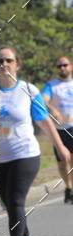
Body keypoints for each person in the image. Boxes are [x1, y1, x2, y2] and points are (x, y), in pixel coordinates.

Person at [0, 46, 71, 236]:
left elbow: (43, 121)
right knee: (8, 202)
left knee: (16, 199)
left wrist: (60, 146)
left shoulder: (28, 90)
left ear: (17, 65)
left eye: (8, 60)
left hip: (25, 153)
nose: (3, 64)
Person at [41, 56, 73, 203]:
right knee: (62, 163)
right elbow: (43, 99)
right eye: (59, 66)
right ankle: (68, 186)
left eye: (65, 65)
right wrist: (52, 109)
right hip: (58, 130)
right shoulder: (52, 85)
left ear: (70, 66)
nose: (62, 68)